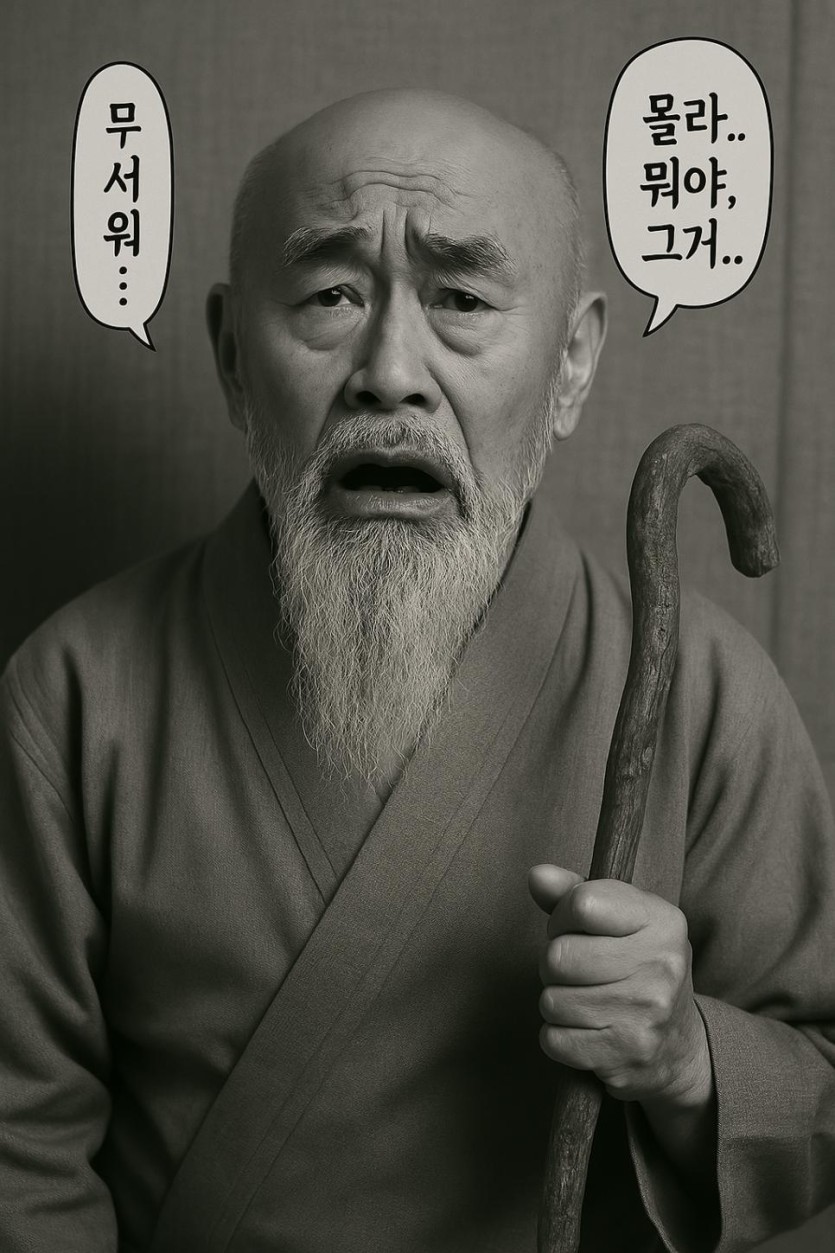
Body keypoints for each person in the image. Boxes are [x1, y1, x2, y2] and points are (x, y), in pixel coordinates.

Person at [1, 88, 833, 1253]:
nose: (389, 371)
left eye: (461, 299)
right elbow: (17, 1147)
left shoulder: (704, 692)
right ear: (234, 356)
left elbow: (819, 1089)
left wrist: (688, 1056)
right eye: (330, 296)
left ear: (572, 362)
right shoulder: (76, 692)